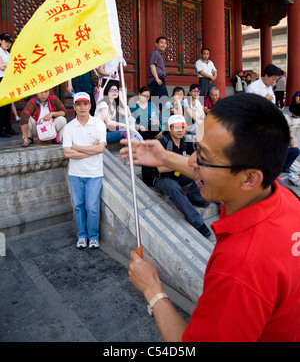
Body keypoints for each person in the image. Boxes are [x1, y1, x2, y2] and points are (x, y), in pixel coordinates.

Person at [121, 93, 300, 342]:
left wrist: (152, 288)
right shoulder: (286, 199)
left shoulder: (238, 272)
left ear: (249, 178)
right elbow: (214, 171)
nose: (192, 160)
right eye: (196, 149)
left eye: (203, 156)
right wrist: (164, 157)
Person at [154, 115, 211, 238]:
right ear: (170, 128)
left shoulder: (186, 141)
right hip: (162, 178)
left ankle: (194, 195)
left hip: (179, 174)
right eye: (177, 127)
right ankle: (198, 222)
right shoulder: (161, 142)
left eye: (183, 127)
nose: (181, 130)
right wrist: (183, 162)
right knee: (174, 187)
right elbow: (161, 168)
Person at [62, 92, 106, 249]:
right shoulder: (69, 127)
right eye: (78, 104)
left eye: (85, 104)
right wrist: (90, 149)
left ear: (90, 105)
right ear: (74, 107)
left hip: (94, 174)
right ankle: (82, 235)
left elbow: (100, 149)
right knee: (79, 206)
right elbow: (67, 153)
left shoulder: (99, 124)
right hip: (75, 174)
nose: (82, 107)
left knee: (92, 207)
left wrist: (77, 147)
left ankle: (93, 236)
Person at [0, 33, 18, 137]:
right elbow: (1, 67)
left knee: (8, 106)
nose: (8, 44)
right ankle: (1, 129)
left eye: (9, 42)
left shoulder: (7, 53)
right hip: (1, 79)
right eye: (6, 41)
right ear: (0, 41)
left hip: (8, 79)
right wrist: (9, 67)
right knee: (2, 106)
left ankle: (8, 127)